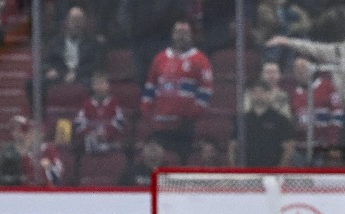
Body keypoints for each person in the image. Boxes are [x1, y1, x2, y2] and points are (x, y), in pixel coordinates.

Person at [266, 19, 345, 148]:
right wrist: (287, 41)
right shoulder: (338, 51)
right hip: (343, 111)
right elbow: (313, 48)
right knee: (339, 150)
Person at [140, 20, 214, 165]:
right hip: (161, 123)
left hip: (184, 125)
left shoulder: (200, 60)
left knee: (182, 163)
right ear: (172, 35)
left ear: (191, 35)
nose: (181, 36)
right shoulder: (160, 58)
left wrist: (193, 112)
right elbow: (150, 86)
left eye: (185, 33)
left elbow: (206, 89)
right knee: (159, 163)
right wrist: (146, 109)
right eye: (178, 32)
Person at [29, 6, 103, 105]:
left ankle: (91, 116)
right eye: (73, 20)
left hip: (83, 74)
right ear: (66, 21)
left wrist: (76, 72)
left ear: (84, 22)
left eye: (79, 20)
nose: (76, 24)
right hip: (60, 72)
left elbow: (96, 64)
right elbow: (45, 62)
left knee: (97, 84)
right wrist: (50, 69)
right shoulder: (55, 42)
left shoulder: (93, 43)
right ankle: (40, 115)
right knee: (33, 83)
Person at [230, 80, 297, 167]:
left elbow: (289, 148)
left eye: (262, 92)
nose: (258, 95)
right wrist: (234, 169)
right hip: (247, 171)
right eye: (255, 92)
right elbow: (233, 145)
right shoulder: (242, 120)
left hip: (271, 172)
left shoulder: (280, 120)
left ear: (269, 94)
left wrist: (280, 170)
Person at [0, 116, 65, 187]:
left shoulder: (48, 149)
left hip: (47, 194)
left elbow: (58, 175)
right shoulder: (25, 155)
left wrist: (48, 167)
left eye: (32, 132)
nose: (29, 135)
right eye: (27, 132)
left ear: (41, 134)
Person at [288, 55, 344, 151]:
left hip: (323, 146)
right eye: (297, 69)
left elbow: (337, 115)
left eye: (303, 68)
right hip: (300, 147)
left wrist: (332, 141)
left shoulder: (327, 87)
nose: (300, 72)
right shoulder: (293, 93)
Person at [73, 71, 127, 155]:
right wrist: (90, 133)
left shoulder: (114, 103)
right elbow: (78, 123)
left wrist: (106, 133)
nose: (99, 87)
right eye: (96, 84)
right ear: (92, 86)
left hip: (110, 144)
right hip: (90, 144)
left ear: (108, 86)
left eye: (102, 84)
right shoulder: (86, 104)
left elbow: (120, 122)